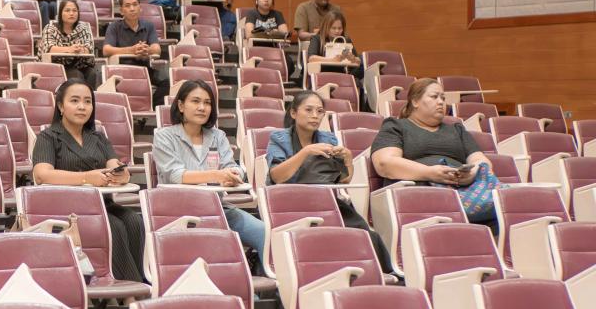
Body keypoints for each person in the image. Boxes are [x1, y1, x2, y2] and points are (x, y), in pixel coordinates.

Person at [32, 79, 145, 284]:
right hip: (67, 208)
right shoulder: (48, 137)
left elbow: (114, 164)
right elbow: (42, 174)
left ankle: (140, 281)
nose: (82, 107)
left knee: (134, 220)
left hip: (102, 204)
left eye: (87, 101)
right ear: (61, 106)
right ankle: (130, 289)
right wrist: (86, 177)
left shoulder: (98, 137)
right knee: (114, 226)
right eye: (74, 101)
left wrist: (122, 175)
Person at [266, 90, 393, 272]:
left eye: (320, 111)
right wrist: (306, 152)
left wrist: (348, 159)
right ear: (293, 113)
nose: (315, 116)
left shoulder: (328, 138)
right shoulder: (279, 138)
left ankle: (372, 274)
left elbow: (343, 180)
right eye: (308, 110)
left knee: (365, 234)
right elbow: (277, 176)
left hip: (327, 200)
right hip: (291, 204)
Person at [152, 79, 266, 264]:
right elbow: (176, 175)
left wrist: (233, 175)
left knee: (264, 233)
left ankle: (258, 276)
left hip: (217, 208)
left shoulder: (218, 136)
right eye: (195, 101)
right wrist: (216, 175)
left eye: (207, 103)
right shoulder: (164, 137)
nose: (202, 107)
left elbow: (232, 166)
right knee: (217, 245)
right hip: (179, 211)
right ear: (181, 105)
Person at [371, 78, 495, 221]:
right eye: (434, 97)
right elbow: (385, 163)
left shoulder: (457, 129)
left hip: (467, 193)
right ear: (415, 101)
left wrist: (472, 174)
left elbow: (481, 160)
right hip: (420, 194)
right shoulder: (396, 126)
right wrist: (430, 173)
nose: (441, 102)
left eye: (443, 98)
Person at [102, 0, 169, 106]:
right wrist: (131, 50)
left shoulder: (149, 26)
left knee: (167, 81)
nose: (132, 9)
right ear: (121, 11)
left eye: (135, 4)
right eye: (127, 6)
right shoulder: (114, 27)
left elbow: (156, 48)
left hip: (144, 67)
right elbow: (106, 50)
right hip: (122, 69)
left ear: (140, 8)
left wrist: (146, 50)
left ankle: (150, 107)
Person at [38, 0, 96, 88]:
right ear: (60, 13)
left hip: (79, 64)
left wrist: (80, 49)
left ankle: (91, 96)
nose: (71, 13)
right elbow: (49, 48)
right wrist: (70, 49)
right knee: (76, 75)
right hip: (57, 66)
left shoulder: (83, 28)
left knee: (93, 74)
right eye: (67, 10)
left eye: (74, 11)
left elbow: (89, 48)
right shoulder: (50, 28)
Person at [307, 10, 362, 77]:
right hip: (323, 72)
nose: (337, 31)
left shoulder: (345, 40)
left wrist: (353, 59)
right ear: (326, 27)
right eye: (333, 28)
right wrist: (332, 60)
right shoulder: (317, 38)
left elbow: (358, 60)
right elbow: (312, 58)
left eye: (340, 28)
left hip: (343, 73)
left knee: (361, 67)